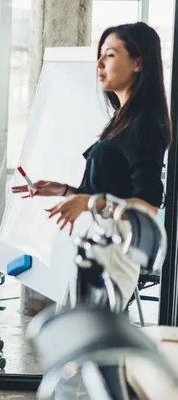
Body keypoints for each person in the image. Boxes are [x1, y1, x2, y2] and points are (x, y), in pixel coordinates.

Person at [12, 22, 171, 309]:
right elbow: (109, 189)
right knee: (80, 346)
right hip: (95, 246)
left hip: (112, 253)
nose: (98, 63)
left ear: (138, 63)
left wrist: (88, 201)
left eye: (109, 55)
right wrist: (66, 191)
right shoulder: (122, 117)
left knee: (88, 346)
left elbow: (148, 207)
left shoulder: (145, 122)